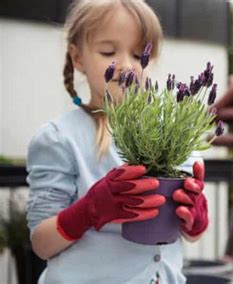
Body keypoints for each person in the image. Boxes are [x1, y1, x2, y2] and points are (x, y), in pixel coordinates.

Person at [26, 0, 208, 283]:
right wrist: (89, 210)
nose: (126, 65)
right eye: (108, 51)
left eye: (139, 54)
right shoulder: (59, 139)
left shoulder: (169, 135)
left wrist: (195, 219)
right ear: (78, 58)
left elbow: (188, 233)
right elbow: (41, 243)